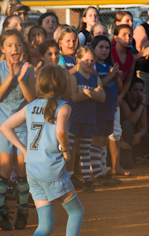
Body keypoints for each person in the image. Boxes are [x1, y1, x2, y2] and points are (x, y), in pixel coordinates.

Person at [0, 65, 88, 236]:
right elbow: (60, 131)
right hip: (51, 170)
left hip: (33, 169)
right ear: (61, 85)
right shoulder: (63, 107)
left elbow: (5, 127)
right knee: (76, 211)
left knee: (46, 223)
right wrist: (65, 148)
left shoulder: (31, 106)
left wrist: (24, 149)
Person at [0, 30, 35, 231]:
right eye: (10, 45)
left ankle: (23, 209)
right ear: (3, 49)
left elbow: (32, 99)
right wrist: (10, 76)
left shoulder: (28, 68)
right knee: (6, 166)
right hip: (2, 123)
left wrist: (21, 79)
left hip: (22, 123)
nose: (14, 49)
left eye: (18, 45)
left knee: (22, 167)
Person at [68, 46, 105, 192]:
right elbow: (74, 97)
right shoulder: (73, 77)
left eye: (92, 60)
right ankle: (63, 179)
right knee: (68, 150)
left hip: (89, 119)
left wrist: (84, 90)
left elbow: (102, 97)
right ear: (78, 61)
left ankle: (87, 180)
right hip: (74, 119)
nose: (89, 63)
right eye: (86, 60)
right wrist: (91, 93)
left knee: (85, 151)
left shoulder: (96, 78)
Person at [91, 36, 123, 186]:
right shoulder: (93, 66)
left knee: (104, 140)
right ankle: (95, 174)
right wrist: (111, 75)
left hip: (110, 109)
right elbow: (98, 86)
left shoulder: (109, 66)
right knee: (97, 140)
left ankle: (103, 172)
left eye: (106, 48)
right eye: (100, 47)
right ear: (93, 49)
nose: (104, 50)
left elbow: (120, 88)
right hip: (98, 109)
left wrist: (116, 76)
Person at [120, 77, 149, 168]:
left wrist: (138, 135)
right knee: (127, 124)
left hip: (135, 137)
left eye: (141, 90)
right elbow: (132, 119)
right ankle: (127, 153)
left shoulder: (142, 105)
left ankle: (134, 153)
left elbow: (144, 127)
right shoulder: (123, 102)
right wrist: (142, 103)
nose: (139, 93)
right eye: (136, 90)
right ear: (128, 91)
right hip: (123, 137)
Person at [110, 24, 137, 176]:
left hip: (117, 95)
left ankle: (116, 166)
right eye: (124, 34)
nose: (128, 37)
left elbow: (127, 81)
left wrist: (120, 97)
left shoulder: (131, 56)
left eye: (130, 35)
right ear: (115, 37)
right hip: (106, 95)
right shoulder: (110, 52)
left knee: (116, 131)